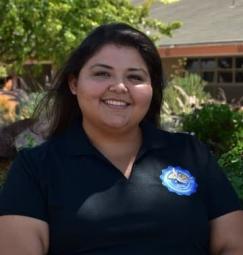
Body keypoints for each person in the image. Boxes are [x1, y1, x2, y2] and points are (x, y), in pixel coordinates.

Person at [0, 23, 242, 255]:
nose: (119, 86)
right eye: (102, 73)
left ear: (152, 88)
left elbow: (234, 244)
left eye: (135, 77)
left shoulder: (190, 154)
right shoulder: (36, 168)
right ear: (74, 83)